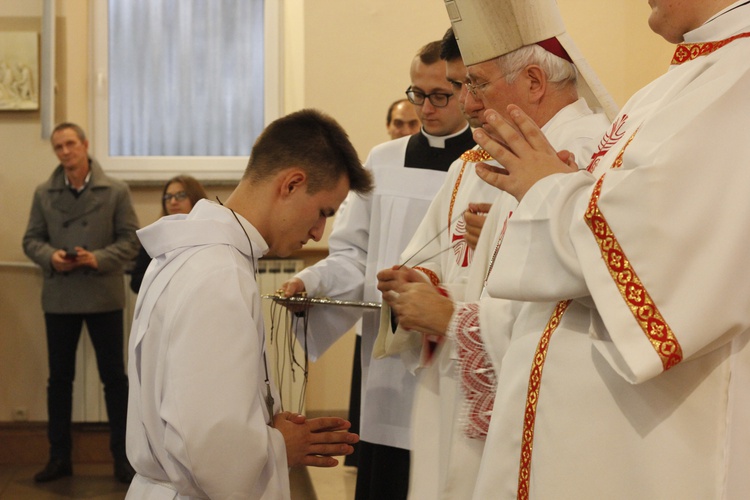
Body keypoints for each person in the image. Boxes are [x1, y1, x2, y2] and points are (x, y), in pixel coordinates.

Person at [400, 0, 750, 498]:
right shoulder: (680, 82)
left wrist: (550, 191)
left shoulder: (737, 80)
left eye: (476, 84)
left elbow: (660, 258)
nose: (468, 102)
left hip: (642, 446)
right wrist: (560, 190)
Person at [377, 9, 616, 498]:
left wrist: (451, 319)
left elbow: (581, 305)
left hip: (534, 408)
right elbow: (436, 259)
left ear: (533, 81)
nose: (466, 102)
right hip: (456, 388)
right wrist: (418, 284)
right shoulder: (475, 163)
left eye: (477, 84)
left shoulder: (589, 153)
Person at [125, 109, 370, 499]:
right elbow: (211, 450)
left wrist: (258, 422)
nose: (319, 231)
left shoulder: (196, 252)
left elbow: (189, 403)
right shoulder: (218, 274)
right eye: (324, 211)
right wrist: (281, 446)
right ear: (291, 184)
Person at [280, 40, 474, 500]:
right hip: (387, 362)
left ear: (464, 91)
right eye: (416, 94)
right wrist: (310, 281)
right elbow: (353, 255)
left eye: (439, 96)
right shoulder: (384, 161)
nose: (425, 107)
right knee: (387, 473)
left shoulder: (490, 161)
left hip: (453, 353)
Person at [22, 122, 140, 483]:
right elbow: (31, 240)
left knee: (114, 380)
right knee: (59, 380)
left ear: (85, 145)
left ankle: (123, 458)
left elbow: (131, 241)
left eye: (70, 144)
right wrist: (51, 257)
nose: (65, 152)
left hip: (102, 293)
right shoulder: (44, 192)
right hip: (60, 296)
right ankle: (60, 458)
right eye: (58, 147)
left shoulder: (115, 190)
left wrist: (98, 258)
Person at [129, 175, 208, 293]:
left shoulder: (209, 234)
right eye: (168, 197)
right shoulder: (155, 236)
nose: (173, 202)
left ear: (196, 199)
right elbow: (136, 282)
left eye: (181, 195)